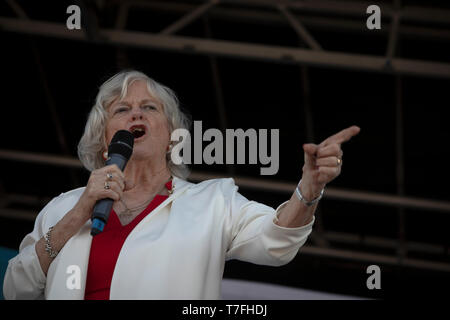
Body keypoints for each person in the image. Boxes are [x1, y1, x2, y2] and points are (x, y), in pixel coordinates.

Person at [3, 70, 360, 300]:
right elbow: (15, 288)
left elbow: (277, 242)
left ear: (173, 138)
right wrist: (78, 213)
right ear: (103, 140)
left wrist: (309, 188)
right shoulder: (63, 207)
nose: (136, 114)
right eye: (122, 110)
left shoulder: (213, 202)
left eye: (149, 108)